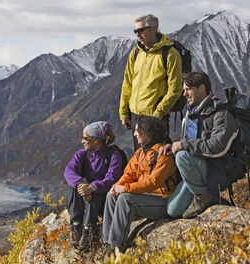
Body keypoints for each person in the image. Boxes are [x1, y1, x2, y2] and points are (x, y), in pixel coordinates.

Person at [161, 71, 239, 219]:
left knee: (183, 156)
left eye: (188, 89)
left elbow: (218, 147)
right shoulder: (191, 114)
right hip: (197, 169)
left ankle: (205, 197)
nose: (184, 94)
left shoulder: (220, 114)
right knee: (172, 210)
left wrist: (183, 145)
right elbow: (191, 142)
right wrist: (172, 146)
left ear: (202, 88)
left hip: (217, 170)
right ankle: (209, 198)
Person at [102, 115, 178, 252]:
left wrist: (125, 189)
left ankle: (116, 247)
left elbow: (153, 182)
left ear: (148, 132)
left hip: (162, 201)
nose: (135, 134)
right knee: (110, 196)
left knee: (126, 198)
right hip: (145, 199)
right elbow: (129, 174)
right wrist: (116, 187)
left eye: (138, 131)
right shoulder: (140, 153)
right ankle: (108, 242)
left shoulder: (163, 154)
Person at [119, 14, 183, 150]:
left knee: (158, 157)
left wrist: (158, 113)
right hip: (137, 115)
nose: (138, 34)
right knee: (141, 157)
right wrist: (124, 113)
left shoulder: (170, 54)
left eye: (141, 30)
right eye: (135, 31)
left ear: (154, 29)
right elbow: (127, 84)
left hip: (156, 116)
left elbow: (175, 89)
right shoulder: (135, 53)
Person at [64, 121, 123, 251]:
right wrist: (81, 184)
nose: (82, 141)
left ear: (96, 140)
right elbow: (68, 171)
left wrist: (92, 187)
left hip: (103, 198)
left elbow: (112, 179)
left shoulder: (114, 155)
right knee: (74, 187)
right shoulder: (82, 154)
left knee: (95, 192)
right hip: (87, 193)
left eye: (86, 138)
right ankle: (76, 224)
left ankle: (88, 230)